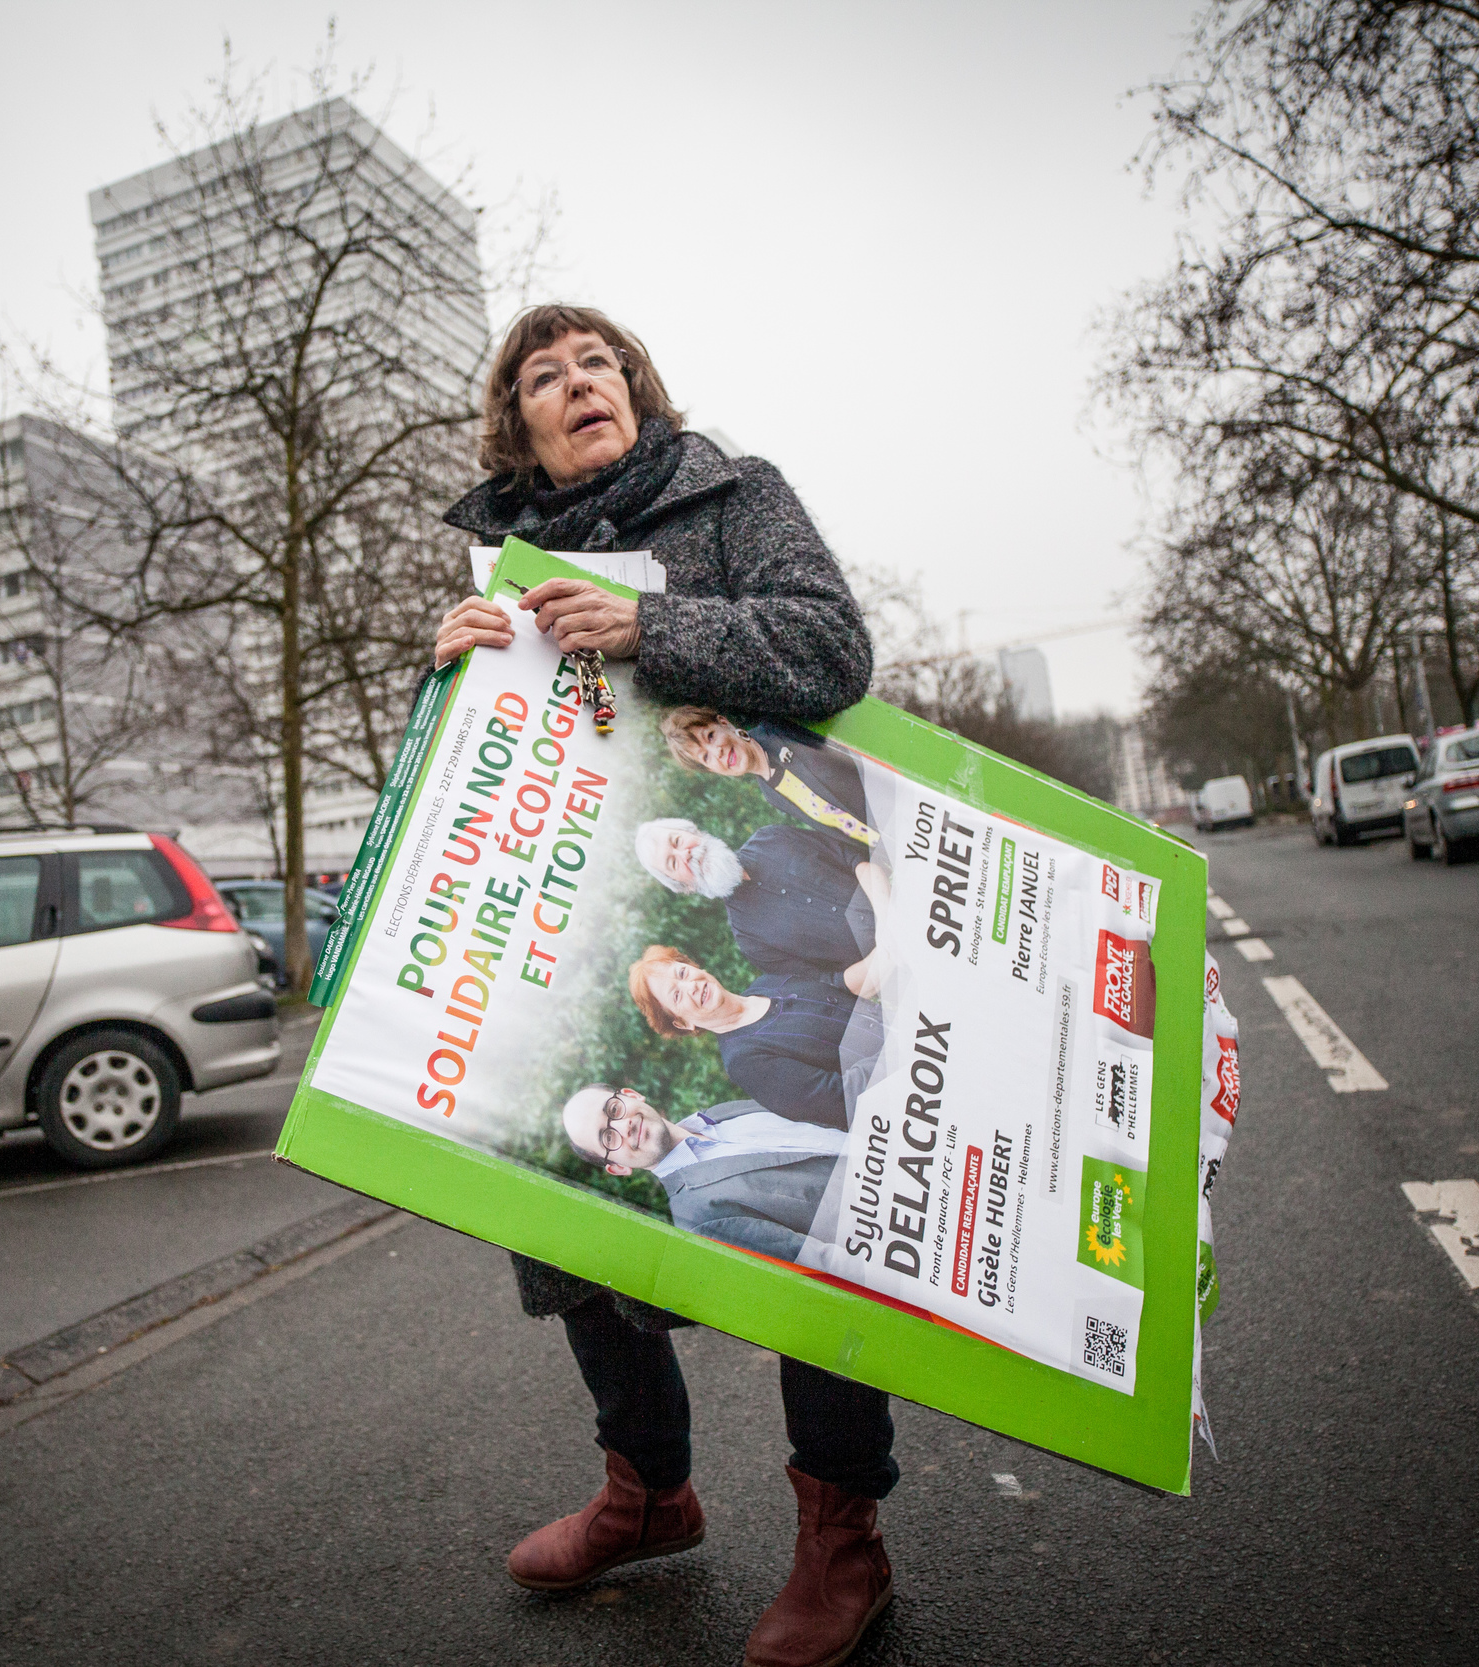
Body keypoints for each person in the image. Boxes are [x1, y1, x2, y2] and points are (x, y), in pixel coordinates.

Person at [435, 304, 888, 1667]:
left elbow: (830, 650)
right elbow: (486, 775)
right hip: (582, 921)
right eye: (543, 377)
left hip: (762, 889)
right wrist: (454, 671)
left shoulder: (736, 495)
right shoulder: (501, 566)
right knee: (562, 1186)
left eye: (600, 366)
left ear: (635, 391)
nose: (580, 385)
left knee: (810, 1203)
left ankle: (842, 1531)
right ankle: (649, 1490)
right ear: (515, 425)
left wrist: (653, 624)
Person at [561, 1087, 851, 1268]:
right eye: (608, 1137)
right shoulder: (698, 1220)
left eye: (613, 1110)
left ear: (631, 1094)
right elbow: (826, 1265)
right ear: (618, 1168)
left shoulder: (722, 1112)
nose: (623, 1126)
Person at [628, 945, 885, 1129]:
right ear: (682, 1023)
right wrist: (902, 1049)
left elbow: (849, 997)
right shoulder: (745, 1062)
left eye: (682, 973)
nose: (691, 986)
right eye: (676, 995)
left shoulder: (769, 983)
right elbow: (843, 1101)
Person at [634, 817, 892, 995]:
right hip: (895, 975)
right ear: (684, 887)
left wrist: (889, 923)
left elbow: (855, 859)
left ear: (694, 833)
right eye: (673, 863)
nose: (685, 855)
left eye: (677, 841)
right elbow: (830, 985)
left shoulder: (772, 837)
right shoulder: (750, 940)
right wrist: (887, 957)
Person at [661, 707, 875, 851]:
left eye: (710, 736)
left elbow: (855, 752)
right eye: (705, 757)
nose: (717, 752)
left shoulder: (779, 728)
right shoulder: (770, 793)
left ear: (724, 723)